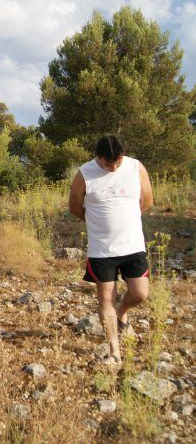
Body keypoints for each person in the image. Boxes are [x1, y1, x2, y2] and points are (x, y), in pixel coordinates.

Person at [69, 135, 153, 365]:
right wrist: (96, 222)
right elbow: (75, 205)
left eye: (117, 162)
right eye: (108, 164)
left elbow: (147, 200)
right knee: (106, 298)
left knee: (140, 294)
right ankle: (115, 352)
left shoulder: (136, 167)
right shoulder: (84, 173)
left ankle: (122, 312)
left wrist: (127, 219)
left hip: (133, 245)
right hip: (101, 250)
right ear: (98, 157)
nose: (114, 167)